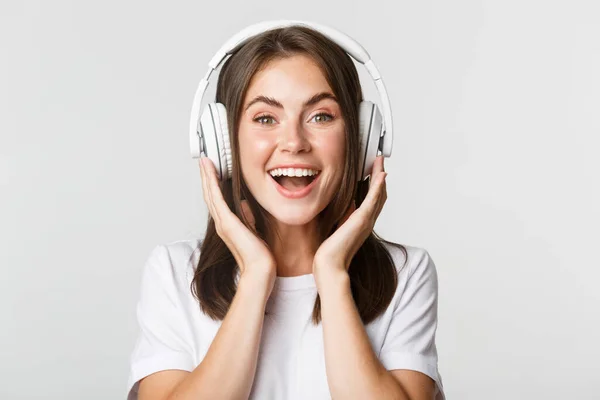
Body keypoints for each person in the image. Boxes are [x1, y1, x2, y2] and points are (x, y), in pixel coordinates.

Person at [126, 22, 446, 400]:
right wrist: (256, 277)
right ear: (223, 142)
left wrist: (331, 273)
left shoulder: (405, 274)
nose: (294, 142)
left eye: (321, 116)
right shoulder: (174, 272)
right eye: (265, 118)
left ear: (359, 139)